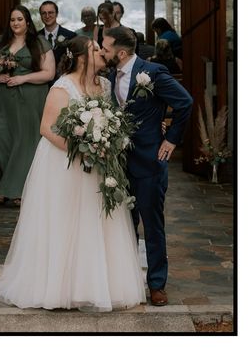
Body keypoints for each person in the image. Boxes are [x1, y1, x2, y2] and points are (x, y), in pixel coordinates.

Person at [0, 36, 146, 311]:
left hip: (96, 164)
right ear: (81, 57)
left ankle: (93, 283)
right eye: (95, 49)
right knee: (65, 220)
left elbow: (108, 120)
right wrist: (80, 150)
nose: (102, 52)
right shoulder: (62, 86)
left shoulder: (103, 85)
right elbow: (46, 128)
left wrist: (104, 144)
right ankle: (59, 285)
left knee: (94, 219)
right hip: (64, 162)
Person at [100, 26, 193, 306]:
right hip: (119, 164)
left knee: (152, 225)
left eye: (105, 47)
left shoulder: (151, 74)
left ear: (122, 52)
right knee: (124, 225)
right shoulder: (109, 76)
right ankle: (125, 281)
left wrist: (171, 140)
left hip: (150, 162)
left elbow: (184, 102)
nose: (103, 51)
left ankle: (156, 284)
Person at [0, 5, 55, 206]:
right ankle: (8, 181)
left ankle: (15, 190)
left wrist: (24, 79)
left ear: (28, 22)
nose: (15, 23)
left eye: (20, 19)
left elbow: (48, 73)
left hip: (29, 98)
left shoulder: (39, 44)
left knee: (25, 141)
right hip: (0, 99)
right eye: (13, 20)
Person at [38, 0, 76, 82]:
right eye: (44, 13)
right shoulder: (35, 37)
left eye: (50, 12)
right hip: (41, 83)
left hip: (64, 82)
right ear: (40, 15)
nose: (47, 16)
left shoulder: (70, 36)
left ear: (57, 14)